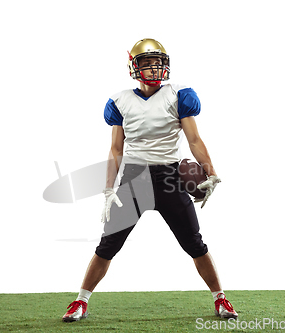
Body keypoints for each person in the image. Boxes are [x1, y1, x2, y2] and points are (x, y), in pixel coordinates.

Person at [62, 38, 238, 322]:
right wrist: (109, 188)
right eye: (147, 63)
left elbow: (194, 139)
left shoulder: (179, 95)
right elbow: (116, 149)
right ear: (134, 66)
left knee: (194, 243)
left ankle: (221, 298)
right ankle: (80, 301)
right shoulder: (120, 101)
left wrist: (212, 172)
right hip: (134, 178)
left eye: (158, 63)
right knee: (107, 245)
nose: (154, 69)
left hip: (169, 177)